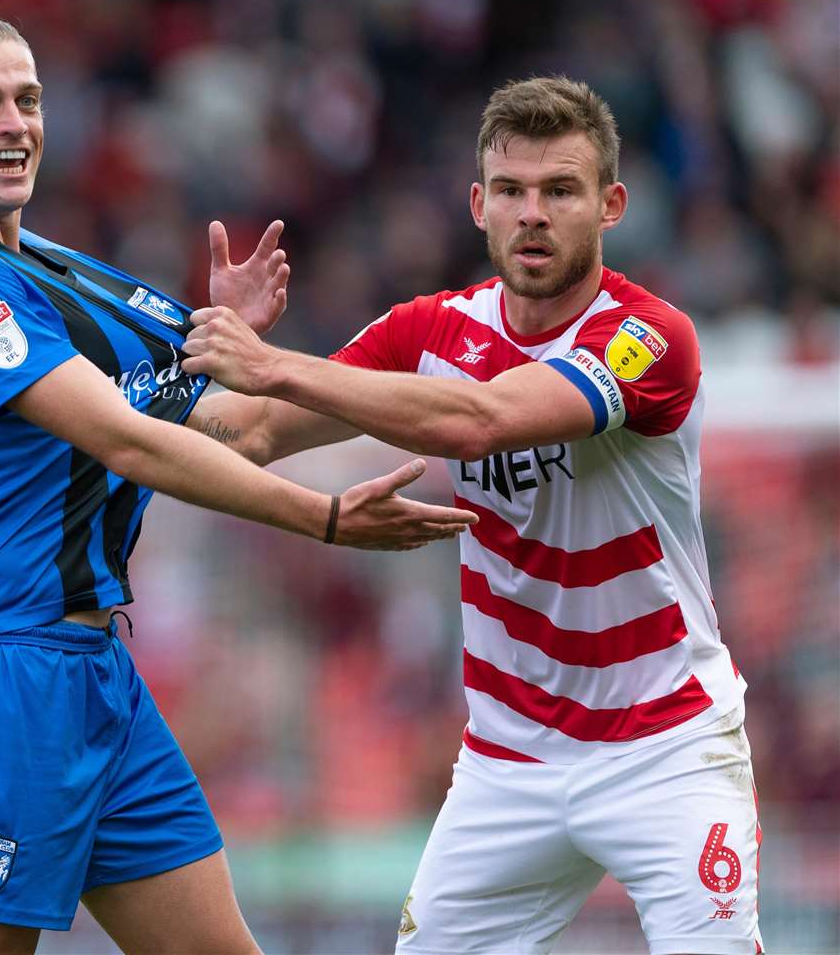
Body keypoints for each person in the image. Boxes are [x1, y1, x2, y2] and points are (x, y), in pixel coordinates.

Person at [0, 14, 477, 955]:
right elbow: (131, 442)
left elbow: (248, 427)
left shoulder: (58, 272)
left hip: (98, 677)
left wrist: (440, 358)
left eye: (27, 99)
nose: (12, 121)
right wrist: (320, 518)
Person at [181, 76, 764, 955]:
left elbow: (479, 419)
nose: (533, 214)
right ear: (476, 205)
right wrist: (169, 383)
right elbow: (251, 432)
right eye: (512, 191)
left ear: (609, 206)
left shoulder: (648, 337)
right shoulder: (430, 331)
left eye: (560, 191)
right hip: (510, 760)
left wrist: (273, 363)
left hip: (664, 744)